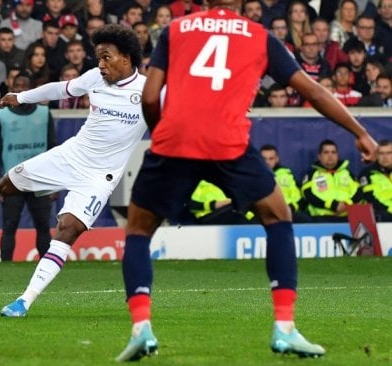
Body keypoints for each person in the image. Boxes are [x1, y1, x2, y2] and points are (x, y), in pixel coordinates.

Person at [115, 0, 378, 361]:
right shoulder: (259, 36)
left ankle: (141, 328)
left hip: (175, 140)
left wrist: (164, 132)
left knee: (138, 232)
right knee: (278, 217)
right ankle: (284, 328)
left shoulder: (176, 29)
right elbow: (313, 91)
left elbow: (149, 95)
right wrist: (360, 133)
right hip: (228, 143)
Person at [0, 24, 146, 317]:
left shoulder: (148, 92)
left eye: (106, 58)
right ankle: (51, 188)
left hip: (99, 177)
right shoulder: (94, 78)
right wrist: (21, 96)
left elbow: (183, 112)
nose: (100, 65)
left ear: (126, 58)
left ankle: (23, 301)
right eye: (98, 58)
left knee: (67, 230)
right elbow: (59, 89)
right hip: (70, 156)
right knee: (5, 186)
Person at [0, 73, 56, 261]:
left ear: (32, 88)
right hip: (12, 180)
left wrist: (56, 182)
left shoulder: (44, 113)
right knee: (9, 227)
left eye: (25, 85)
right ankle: (5, 271)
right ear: (12, 87)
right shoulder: (2, 116)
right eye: (17, 85)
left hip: (40, 180)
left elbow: (53, 149)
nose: (20, 89)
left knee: (43, 227)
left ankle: (47, 268)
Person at [301, 139, 362, 222]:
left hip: (347, 217)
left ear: (337, 155)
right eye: (326, 152)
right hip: (321, 219)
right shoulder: (311, 174)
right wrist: (333, 205)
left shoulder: (347, 173)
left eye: (333, 152)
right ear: (319, 156)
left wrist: (346, 204)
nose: (330, 155)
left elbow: (358, 192)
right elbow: (308, 194)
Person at [260, 144, 311, 223]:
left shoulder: (287, 174)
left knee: (304, 219)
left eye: (271, 159)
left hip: (287, 211)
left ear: (277, 159)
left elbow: (297, 198)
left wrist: (291, 208)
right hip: (264, 214)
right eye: (264, 159)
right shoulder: (254, 176)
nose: (267, 162)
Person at [358, 139, 392, 222]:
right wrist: (390, 209)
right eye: (381, 154)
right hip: (382, 215)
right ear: (377, 155)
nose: (385, 157)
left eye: (389, 153)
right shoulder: (367, 173)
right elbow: (370, 198)